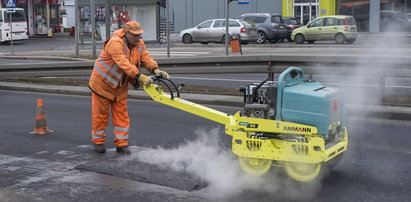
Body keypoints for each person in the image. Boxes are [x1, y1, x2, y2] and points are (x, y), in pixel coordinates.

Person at [88, 21, 169, 154]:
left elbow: (146, 58)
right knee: (100, 116)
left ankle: (121, 145)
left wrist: (155, 70)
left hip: (119, 86)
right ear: (126, 33)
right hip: (102, 84)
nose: (138, 38)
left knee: (122, 116)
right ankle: (98, 142)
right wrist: (140, 77)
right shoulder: (115, 42)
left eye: (139, 35)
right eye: (135, 35)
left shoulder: (139, 44)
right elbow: (123, 63)